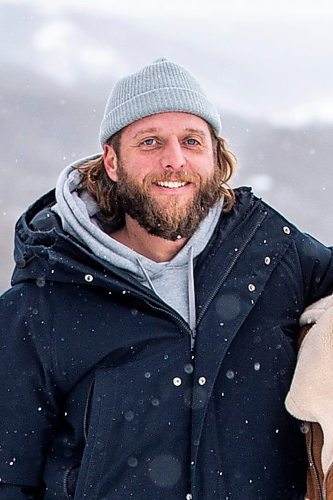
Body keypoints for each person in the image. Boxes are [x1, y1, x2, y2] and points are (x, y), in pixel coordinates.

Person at [0, 57, 332, 500]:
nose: (174, 160)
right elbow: (9, 476)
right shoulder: (43, 301)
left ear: (214, 159)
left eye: (192, 141)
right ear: (112, 162)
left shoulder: (272, 253)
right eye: (150, 142)